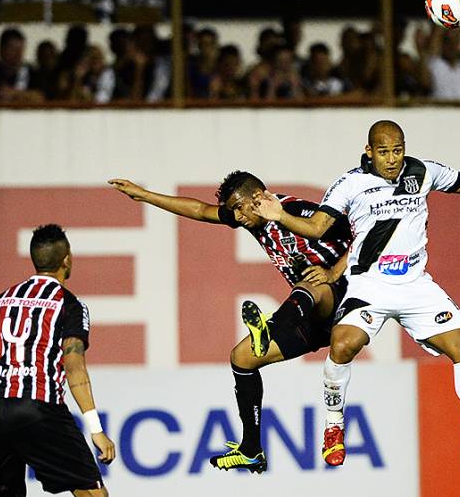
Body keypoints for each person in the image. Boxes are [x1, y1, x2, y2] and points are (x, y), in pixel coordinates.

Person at [253, 118, 460, 477]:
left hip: (415, 285)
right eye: (383, 152)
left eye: (397, 150)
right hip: (369, 285)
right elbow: (317, 228)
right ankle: (333, 425)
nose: (392, 159)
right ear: (369, 151)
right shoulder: (350, 184)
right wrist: (279, 215)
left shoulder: (423, 171)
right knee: (343, 345)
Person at [108, 172, 352, 473]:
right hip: (308, 314)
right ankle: (251, 448)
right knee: (242, 357)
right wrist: (145, 195)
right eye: (233, 211)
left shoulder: (296, 209)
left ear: (260, 198)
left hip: (343, 298)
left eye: (240, 208)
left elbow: (362, 230)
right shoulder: (248, 215)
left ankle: (270, 327)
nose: (237, 217)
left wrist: (335, 272)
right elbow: (199, 210)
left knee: (310, 286)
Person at [0, 224, 115, 497]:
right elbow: (74, 367)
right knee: (91, 492)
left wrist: (7, 392)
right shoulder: (68, 304)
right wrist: (96, 429)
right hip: (38, 407)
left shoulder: (1, 302)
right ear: (67, 259)